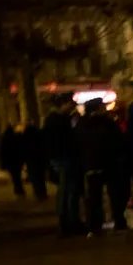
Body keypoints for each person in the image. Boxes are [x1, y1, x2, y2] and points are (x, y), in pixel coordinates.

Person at [74, 98, 129, 235]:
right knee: (114, 195)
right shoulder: (107, 123)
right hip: (109, 165)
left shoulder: (82, 125)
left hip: (92, 166)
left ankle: (95, 225)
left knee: (94, 198)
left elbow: (77, 146)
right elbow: (118, 142)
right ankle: (119, 221)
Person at [43, 95, 82, 235]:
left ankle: (69, 221)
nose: (72, 106)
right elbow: (64, 142)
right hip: (63, 160)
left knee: (68, 191)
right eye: (70, 104)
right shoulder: (57, 121)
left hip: (62, 159)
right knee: (68, 192)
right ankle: (68, 222)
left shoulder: (56, 120)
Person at [0, 125, 26, 198]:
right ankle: (19, 189)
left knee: (14, 176)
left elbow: (2, 151)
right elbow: (21, 148)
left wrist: (2, 162)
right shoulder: (16, 137)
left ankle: (18, 189)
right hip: (17, 160)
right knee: (17, 175)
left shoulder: (4, 138)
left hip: (9, 161)